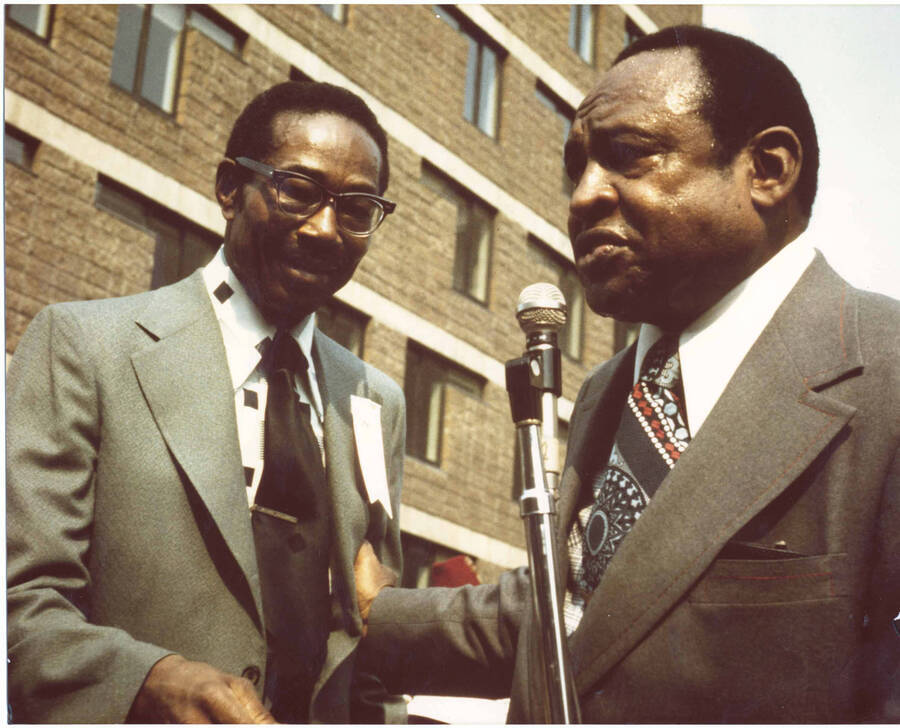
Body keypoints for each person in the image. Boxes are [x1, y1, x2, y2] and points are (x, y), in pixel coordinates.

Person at [354, 25, 900, 722]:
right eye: (575, 167)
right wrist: (376, 618)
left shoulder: (884, 373)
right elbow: (586, 614)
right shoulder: (609, 390)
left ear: (766, 169)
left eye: (630, 157)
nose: (582, 198)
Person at [7, 81, 406, 724]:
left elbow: (367, 638)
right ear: (229, 189)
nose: (325, 228)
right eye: (297, 190)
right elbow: (21, 602)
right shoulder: (84, 346)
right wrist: (147, 679)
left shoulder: (374, 400)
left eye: (356, 207)